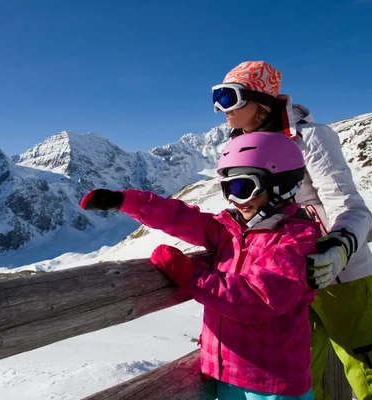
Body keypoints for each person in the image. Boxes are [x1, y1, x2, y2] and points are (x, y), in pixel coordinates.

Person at [155, 61, 372, 400]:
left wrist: (339, 248)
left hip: (341, 276)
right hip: (281, 279)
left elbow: (352, 208)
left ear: (259, 101)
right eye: (217, 97)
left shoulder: (311, 139)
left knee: (366, 366)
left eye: (228, 98)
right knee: (305, 375)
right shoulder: (240, 146)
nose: (218, 109)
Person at [81, 131, 320, 399]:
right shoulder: (234, 230)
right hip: (227, 375)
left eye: (242, 188)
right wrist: (126, 201)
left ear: (281, 184)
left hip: (271, 385)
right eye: (227, 188)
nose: (233, 199)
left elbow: (261, 299)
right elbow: (184, 219)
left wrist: (192, 276)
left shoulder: (292, 239)